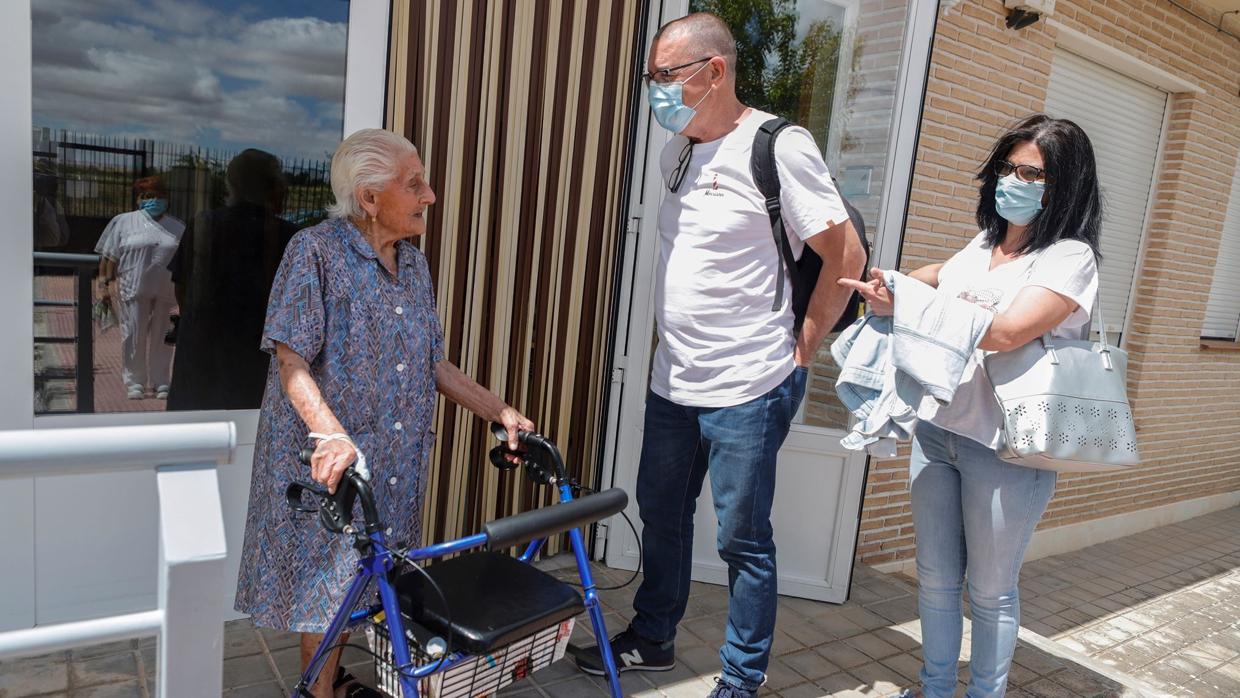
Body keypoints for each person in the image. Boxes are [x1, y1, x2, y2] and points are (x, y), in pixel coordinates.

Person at [575, 13, 866, 698]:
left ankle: (740, 679)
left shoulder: (777, 145)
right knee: (663, 514)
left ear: (714, 71)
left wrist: (805, 345)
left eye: (664, 76)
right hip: (673, 382)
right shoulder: (676, 151)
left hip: (749, 386)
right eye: (650, 78)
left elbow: (844, 252)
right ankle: (654, 639)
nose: (656, 91)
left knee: (742, 540)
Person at [233, 128, 535, 698]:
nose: (430, 196)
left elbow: (433, 365)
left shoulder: (414, 268)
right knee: (328, 591)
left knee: (371, 582)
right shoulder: (315, 252)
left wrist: (499, 411)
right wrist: (331, 435)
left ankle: (336, 680)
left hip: (394, 464)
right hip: (335, 464)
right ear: (369, 198)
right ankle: (319, 691)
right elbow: (290, 359)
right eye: (413, 184)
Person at [841, 114, 1102, 698]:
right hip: (938, 433)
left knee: (990, 591)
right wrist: (897, 286)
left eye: (1032, 173)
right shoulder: (984, 244)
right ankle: (935, 689)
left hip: (1005, 447)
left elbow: (1008, 332)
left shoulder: (1069, 258)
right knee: (934, 580)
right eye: (1008, 168)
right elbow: (935, 277)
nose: (1013, 181)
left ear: (1066, 184)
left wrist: (914, 305)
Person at [166, 148, 299, 410]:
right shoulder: (288, 235)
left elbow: (181, 286)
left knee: (194, 429)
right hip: (256, 354)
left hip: (203, 349)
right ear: (272, 188)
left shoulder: (205, 224)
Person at [94, 176, 184, 400]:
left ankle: (161, 381)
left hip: (167, 292)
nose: (153, 200)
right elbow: (109, 257)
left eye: (157, 195)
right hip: (133, 289)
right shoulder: (123, 222)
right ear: (138, 199)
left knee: (162, 338)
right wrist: (104, 285)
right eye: (146, 196)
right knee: (133, 335)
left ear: (167, 198)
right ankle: (135, 382)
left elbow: (184, 261)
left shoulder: (178, 227)